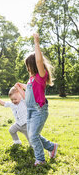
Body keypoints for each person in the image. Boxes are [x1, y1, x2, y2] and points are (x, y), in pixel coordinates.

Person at [15, 33, 58, 166]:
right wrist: (20, 87)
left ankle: (40, 159)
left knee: (33, 135)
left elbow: (39, 61)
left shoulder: (40, 76)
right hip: (31, 111)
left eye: (28, 65)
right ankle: (52, 147)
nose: (27, 68)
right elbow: (28, 93)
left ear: (32, 65)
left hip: (39, 111)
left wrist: (36, 43)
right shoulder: (32, 79)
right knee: (33, 134)